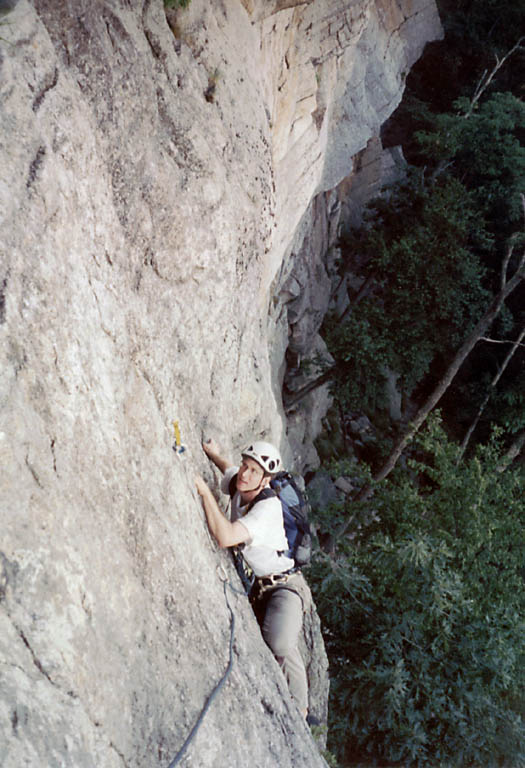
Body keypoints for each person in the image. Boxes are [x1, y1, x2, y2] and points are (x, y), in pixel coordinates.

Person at [195, 438, 311, 718]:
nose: (245, 475)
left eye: (254, 471)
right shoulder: (242, 482)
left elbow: (225, 537)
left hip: (284, 586)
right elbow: (230, 470)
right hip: (260, 586)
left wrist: (203, 491)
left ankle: (301, 708)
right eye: (245, 466)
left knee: (281, 643)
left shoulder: (267, 509)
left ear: (266, 480)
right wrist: (215, 454)